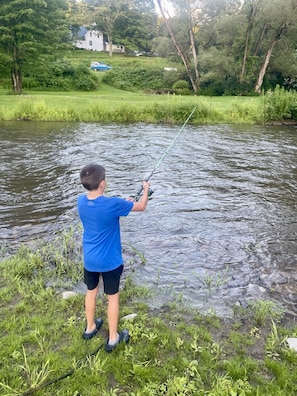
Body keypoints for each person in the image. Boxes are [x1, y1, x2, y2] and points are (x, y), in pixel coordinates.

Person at [77, 164, 150, 352]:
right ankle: (112, 338)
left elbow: (105, 210)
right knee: (112, 298)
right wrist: (146, 190)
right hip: (110, 262)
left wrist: (124, 203)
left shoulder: (81, 201)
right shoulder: (113, 204)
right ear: (102, 183)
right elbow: (141, 206)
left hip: (90, 260)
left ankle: (90, 327)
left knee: (91, 291)